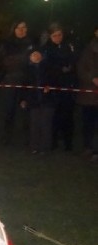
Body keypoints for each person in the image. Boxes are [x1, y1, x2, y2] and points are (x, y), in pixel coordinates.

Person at [0, 21, 35, 145]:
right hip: (10, 80)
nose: (21, 30)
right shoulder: (7, 43)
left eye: (24, 27)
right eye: (18, 28)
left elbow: (34, 61)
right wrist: (23, 58)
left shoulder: (31, 43)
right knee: (9, 109)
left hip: (26, 80)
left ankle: (26, 137)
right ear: (14, 29)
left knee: (26, 108)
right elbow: (5, 61)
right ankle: (7, 136)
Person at [43, 24, 77, 152]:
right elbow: (46, 67)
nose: (57, 38)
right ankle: (53, 141)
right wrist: (59, 69)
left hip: (67, 86)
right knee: (54, 115)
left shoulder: (68, 47)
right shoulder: (46, 49)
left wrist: (69, 69)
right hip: (54, 86)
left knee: (68, 115)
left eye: (59, 35)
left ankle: (68, 143)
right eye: (54, 35)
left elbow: (74, 62)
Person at [20, 49, 54, 155]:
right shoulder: (26, 70)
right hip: (33, 101)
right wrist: (23, 99)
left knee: (46, 124)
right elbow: (23, 86)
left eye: (38, 54)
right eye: (33, 55)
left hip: (47, 100)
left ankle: (45, 147)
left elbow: (54, 80)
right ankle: (34, 147)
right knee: (34, 125)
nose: (36, 56)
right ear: (29, 57)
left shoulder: (48, 68)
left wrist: (49, 86)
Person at [76, 30, 98, 160]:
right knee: (88, 123)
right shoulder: (87, 50)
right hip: (88, 95)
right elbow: (80, 68)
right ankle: (88, 147)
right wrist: (92, 79)